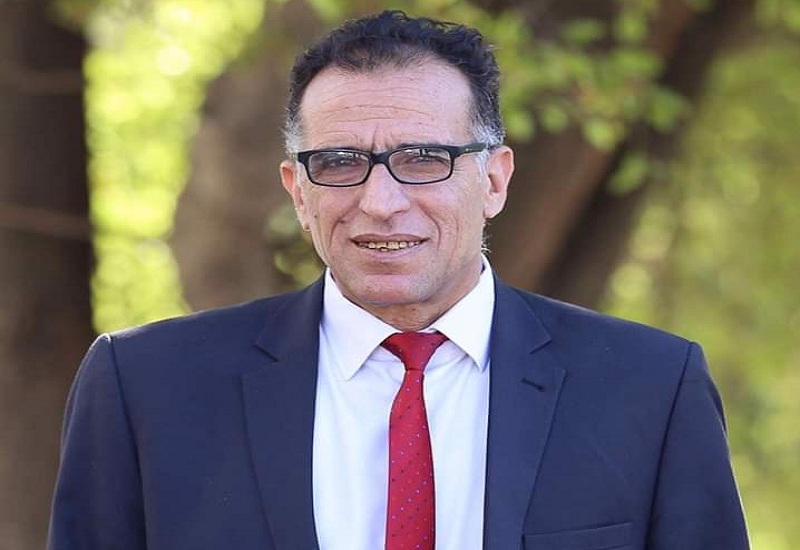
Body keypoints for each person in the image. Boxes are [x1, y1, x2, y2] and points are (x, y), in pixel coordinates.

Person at [48, 10, 749, 550]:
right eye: (340, 162)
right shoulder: (145, 387)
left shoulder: (651, 388)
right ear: (297, 190)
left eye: (423, 159)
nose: (380, 201)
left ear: (495, 180)